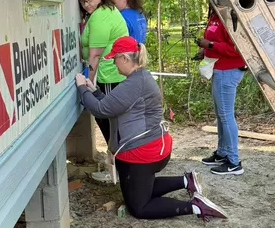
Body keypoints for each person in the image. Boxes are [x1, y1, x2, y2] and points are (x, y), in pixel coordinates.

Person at [75, 36, 227, 220]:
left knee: (139, 208)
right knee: (139, 187)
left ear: (124, 58)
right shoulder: (140, 76)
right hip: (153, 147)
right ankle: (187, 181)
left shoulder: (133, 84)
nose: (114, 63)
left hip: (141, 153)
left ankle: (196, 207)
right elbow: (113, 105)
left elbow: (101, 110)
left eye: (115, 58)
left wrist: (82, 88)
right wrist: (95, 91)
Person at [77, 0, 129, 181]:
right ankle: (118, 168)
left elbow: (95, 56)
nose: (87, 3)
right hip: (115, 74)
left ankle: (117, 170)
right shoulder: (107, 11)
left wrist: (87, 85)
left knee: (109, 122)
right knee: (113, 124)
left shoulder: (100, 17)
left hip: (109, 76)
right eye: (82, 1)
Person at [196, 6, 246, 175]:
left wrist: (210, 44)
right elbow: (215, 41)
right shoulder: (214, 16)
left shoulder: (230, 16)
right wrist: (205, 50)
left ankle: (233, 162)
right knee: (220, 114)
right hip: (219, 68)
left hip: (229, 70)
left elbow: (235, 48)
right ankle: (222, 152)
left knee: (226, 115)